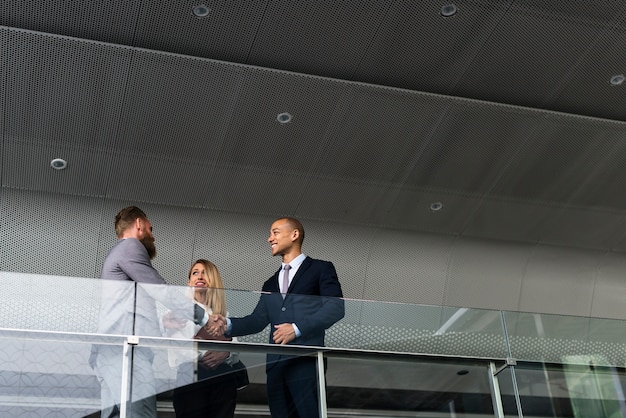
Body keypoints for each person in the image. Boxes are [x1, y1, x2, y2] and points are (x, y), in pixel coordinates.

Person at [210, 217, 345, 418]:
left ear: (294, 235)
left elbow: (336, 307)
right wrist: (227, 325)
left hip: (305, 364)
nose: (269, 238)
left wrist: (296, 328)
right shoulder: (269, 283)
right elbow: (256, 321)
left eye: (275, 232)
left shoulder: (320, 269)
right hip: (275, 368)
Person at [90, 206, 207, 418]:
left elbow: (127, 309)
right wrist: (203, 316)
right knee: (141, 415)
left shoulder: (116, 253)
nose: (153, 236)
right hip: (125, 354)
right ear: (139, 224)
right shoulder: (131, 247)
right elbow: (158, 288)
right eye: (151, 228)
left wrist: (163, 325)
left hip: (111, 352)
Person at [167, 259, 240, 418]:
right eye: (195, 273)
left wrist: (225, 354)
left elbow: (236, 349)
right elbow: (178, 349)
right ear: (189, 282)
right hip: (190, 377)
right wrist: (211, 354)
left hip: (222, 379)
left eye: (205, 273)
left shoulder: (224, 316)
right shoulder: (177, 313)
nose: (200, 276)